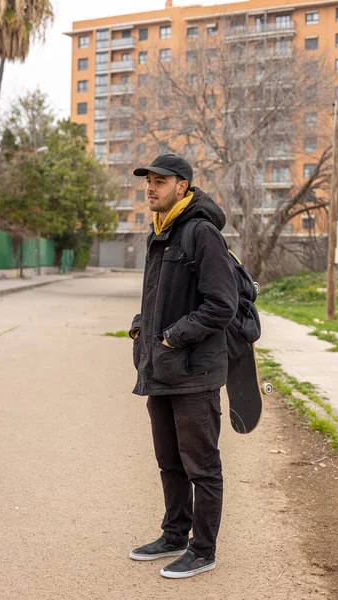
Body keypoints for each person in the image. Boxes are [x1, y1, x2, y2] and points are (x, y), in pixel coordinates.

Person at [129, 154, 237, 579]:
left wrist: (174, 336)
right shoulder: (161, 232)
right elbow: (156, 298)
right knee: (169, 461)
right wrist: (141, 328)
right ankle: (174, 534)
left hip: (193, 374)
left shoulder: (201, 233)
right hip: (160, 370)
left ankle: (203, 549)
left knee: (202, 466)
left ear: (183, 186)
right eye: (148, 182)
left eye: (160, 181)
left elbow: (222, 305)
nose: (150, 188)